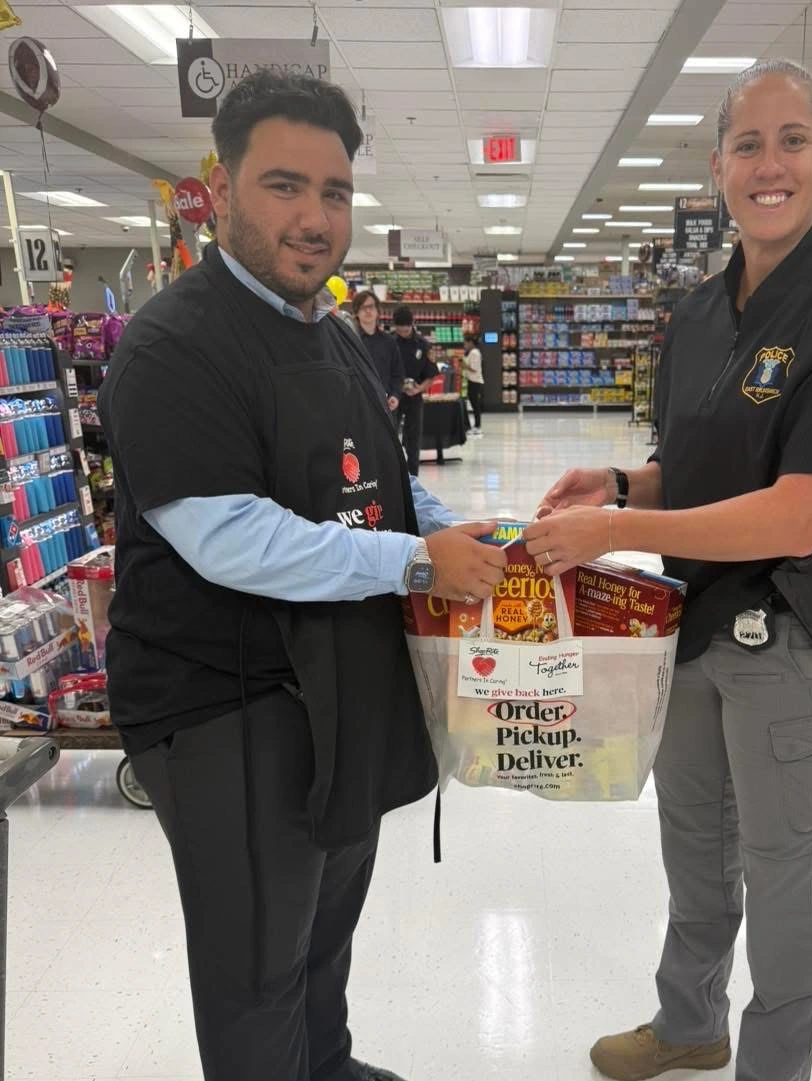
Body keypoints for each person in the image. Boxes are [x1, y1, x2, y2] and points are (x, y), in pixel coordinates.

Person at [98, 70, 507, 1081]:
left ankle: (325, 1065)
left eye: (334, 192)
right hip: (224, 702)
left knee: (325, 918)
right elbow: (229, 536)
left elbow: (393, 483)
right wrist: (417, 558)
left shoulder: (332, 332)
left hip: (337, 681)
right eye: (285, 186)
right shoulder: (172, 344)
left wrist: (471, 537)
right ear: (222, 185)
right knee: (254, 962)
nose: (315, 217)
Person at [523, 59, 812, 1081]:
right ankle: (690, 1021)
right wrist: (619, 479)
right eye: (749, 144)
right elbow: (695, 467)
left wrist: (613, 529)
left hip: (789, 641)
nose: (770, 164)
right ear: (718, 168)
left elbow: (798, 510)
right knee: (694, 851)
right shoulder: (695, 313)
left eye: (794, 140)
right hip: (690, 629)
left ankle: (773, 1068)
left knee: (787, 886)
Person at [391, 306, 438, 474]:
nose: (403, 330)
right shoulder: (389, 343)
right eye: (400, 327)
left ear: (413, 324)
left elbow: (431, 374)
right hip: (393, 398)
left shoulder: (423, 345)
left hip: (414, 398)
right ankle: (393, 474)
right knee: (390, 436)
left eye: (406, 327)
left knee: (414, 438)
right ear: (394, 325)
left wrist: (419, 389)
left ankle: (413, 475)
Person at [351, 289, 404, 413]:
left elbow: (398, 374)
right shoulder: (350, 341)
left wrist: (395, 395)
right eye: (363, 307)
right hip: (358, 407)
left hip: (385, 407)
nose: (368, 310)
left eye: (371, 306)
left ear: (377, 311)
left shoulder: (389, 342)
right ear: (356, 312)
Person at [462, 333, 485, 435]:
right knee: (474, 404)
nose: (464, 345)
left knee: (475, 405)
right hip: (472, 381)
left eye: (465, 343)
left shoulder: (474, 353)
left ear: (470, 343)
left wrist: (464, 365)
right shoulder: (471, 352)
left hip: (475, 382)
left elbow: (474, 369)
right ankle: (476, 426)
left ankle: (477, 426)